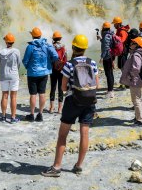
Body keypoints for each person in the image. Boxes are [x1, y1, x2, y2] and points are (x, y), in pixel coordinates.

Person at [41, 34, 99, 177]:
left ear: (73, 47)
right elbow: (97, 84)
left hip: (73, 101)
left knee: (63, 135)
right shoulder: (92, 63)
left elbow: (63, 87)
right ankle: (79, 165)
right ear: (85, 49)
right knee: (84, 134)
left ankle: (57, 167)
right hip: (90, 101)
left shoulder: (69, 65)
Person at [22, 27, 58, 122]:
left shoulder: (30, 46)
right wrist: (49, 63)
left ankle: (32, 114)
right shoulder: (46, 45)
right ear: (40, 35)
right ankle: (40, 114)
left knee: (33, 94)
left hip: (32, 73)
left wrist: (28, 67)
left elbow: (25, 60)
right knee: (42, 93)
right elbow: (55, 56)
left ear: (32, 35)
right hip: (44, 73)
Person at [119, 37, 142, 126]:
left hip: (135, 80)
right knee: (137, 99)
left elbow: (136, 68)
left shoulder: (136, 55)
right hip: (137, 80)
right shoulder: (138, 53)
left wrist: (130, 76)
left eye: (133, 42)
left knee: (136, 99)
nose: (131, 44)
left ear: (137, 45)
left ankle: (140, 120)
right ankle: (137, 116)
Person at [0, 33, 21, 123]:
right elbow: (18, 63)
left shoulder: (1, 51)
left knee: (4, 96)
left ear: (6, 41)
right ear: (13, 41)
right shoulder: (16, 51)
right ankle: (12, 117)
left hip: (4, 75)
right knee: (13, 97)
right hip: (14, 75)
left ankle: (3, 117)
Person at [49, 31, 67, 114]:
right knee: (60, 88)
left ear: (53, 39)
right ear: (60, 38)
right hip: (61, 70)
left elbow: (49, 58)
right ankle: (60, 108)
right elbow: (66, 59)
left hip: (53, 69)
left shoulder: (51, 47)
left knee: (53, 87)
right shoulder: (63, 47)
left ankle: (52, 108)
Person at [98, 22, 115, 98]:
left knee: (108, 74)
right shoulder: (109, 34)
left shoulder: (106, 36)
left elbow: (106, 48)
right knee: (110, 73)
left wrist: (102, 57)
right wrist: (101, 39)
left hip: (107, 57)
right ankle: (111, 89)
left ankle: (110, 91)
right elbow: (106, 44)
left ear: (104, 28)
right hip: (110, 56)